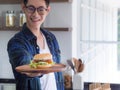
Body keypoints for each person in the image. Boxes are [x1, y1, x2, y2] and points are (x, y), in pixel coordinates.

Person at [7, 0, 64, 90]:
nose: (35, 14)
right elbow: (24, 65)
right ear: (23, 8)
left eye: (41, 9)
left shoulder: (51, 38)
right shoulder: (16, 42)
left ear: (47, 10)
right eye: (31, 8)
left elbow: (57, 76)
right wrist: (31, 72)